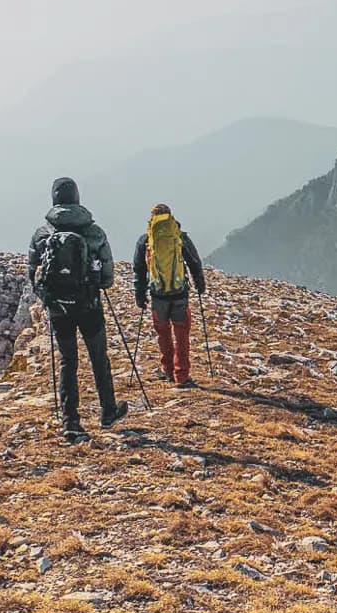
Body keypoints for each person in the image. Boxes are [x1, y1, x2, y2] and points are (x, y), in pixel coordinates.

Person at [29, 176, 126, 441]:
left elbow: (33, 273)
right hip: (89, 305)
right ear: (77, 198)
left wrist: (48, 297)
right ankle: (108, 410)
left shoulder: (42, 233)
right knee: (98, 358)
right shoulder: (94, 232)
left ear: (54, 199)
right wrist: (96, 282)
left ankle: (70, 421)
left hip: (59, 309)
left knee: (68, 362)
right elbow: (107, 276)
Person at [134, 202, 207, 387]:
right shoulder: (179, 237)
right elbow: (194, 262)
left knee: (163, 333)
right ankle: (181, 375)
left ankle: (167, 370)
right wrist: (200, 285)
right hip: (180, 294)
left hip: (158, 296)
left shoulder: (145, 241)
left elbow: (139, 270)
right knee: (182, 334)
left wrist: (140, 296)